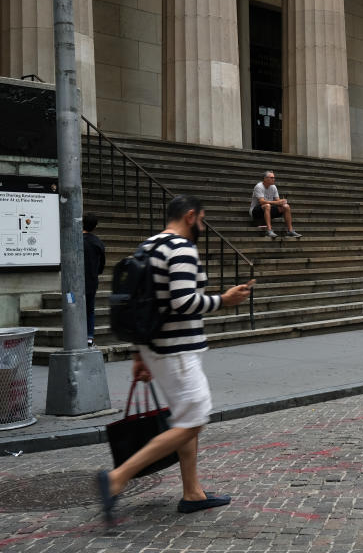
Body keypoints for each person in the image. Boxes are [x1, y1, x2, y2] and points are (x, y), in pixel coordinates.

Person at [96, 195, 254, 522]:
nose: (202, 227)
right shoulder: (181, 248)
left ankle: (192, 492)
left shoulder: (149, 246)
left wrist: (140, 353)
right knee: (193, 421)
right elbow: (183, 302)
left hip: (156, 348)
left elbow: (144, 302)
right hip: (177, 351)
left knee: (186, 419)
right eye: (202, 220)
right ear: (191, 216)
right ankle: (117, 478)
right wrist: (223, 301)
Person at [249, 170, 301, 238]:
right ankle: (269, 230)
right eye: (271, 177)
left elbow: (277, 200)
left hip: (268, 209)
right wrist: (276, 202)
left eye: (274, 177)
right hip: (256, 211)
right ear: (265, 179)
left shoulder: (273, 187)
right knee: (267, 205)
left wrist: (282, 201)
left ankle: (290, 231)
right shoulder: (259, 186)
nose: (274, 179)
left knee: (286, 206)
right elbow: (261, 201)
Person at [82, 213, 105, 347]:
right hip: (91, 281)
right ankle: (89, 337)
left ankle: (76, 335)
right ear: (95, 226)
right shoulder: (98, 243)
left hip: (76, 283)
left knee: (75, 308)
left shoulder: (76, 240)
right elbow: (101, 265)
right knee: (90, 309)